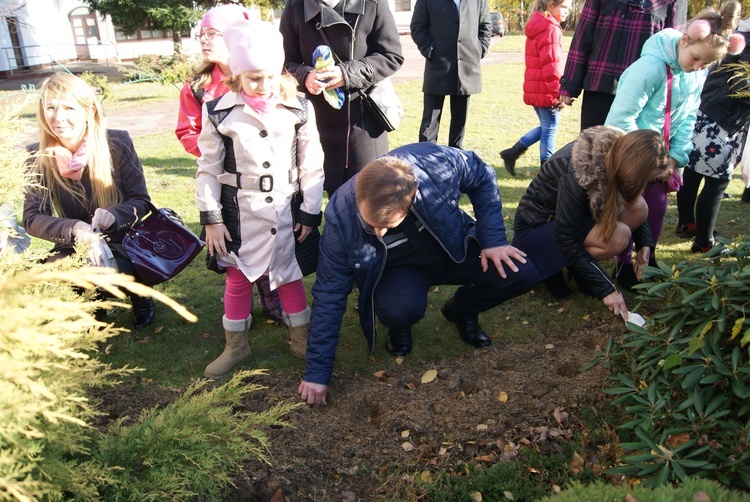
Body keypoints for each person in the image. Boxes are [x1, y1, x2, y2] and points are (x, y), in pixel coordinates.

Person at [297, 142, 538, 406]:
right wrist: (318, 374)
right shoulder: (340, 216)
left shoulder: (435, 164)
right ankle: (400, 327)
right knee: (398, 309)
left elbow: (481, 174)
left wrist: (492, 239)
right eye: (369, 224)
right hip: (401, 270)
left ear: (410, 199)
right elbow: (330, 293)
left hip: (453, 249)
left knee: (521, 273)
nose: (377, 233)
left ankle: (463, 308)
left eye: (385, 226)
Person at [196, 19, 325, 379]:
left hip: (287, 208)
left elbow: (312, 165)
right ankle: (235, 346)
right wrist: (212, 218)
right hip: (241, 213)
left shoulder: (299, 108)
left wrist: (310, 212)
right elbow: (207, 169)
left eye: (270, 76)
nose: (263, 85)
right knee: (237, 278)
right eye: (253, 78)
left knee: (289, 275)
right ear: (236, 75)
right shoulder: (219, 112)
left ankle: (301, 339)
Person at [605, 0, 742, 289]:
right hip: (634, 156)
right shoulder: (649, 68)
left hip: (661, 160)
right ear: (684, 40)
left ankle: (648, 257)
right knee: (629, 210)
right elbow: (620, 118)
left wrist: (675, 158)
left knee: (655, 208)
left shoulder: (695, 74)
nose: (698, 67)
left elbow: (689, 116)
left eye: (706, 63)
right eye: (695, 58)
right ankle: (622, 264)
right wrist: (648, 158)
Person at [174, 5, 284, 327]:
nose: (205, 40)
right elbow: (187, 130)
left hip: (262, 179)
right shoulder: (197, 86)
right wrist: (220, 152)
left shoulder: (259, 74)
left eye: (214, 33)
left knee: (267, 236)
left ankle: (272, 296)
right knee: (234, 246)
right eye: (202, 34)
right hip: (224, 179)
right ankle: (239, 309)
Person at [23, 73, 154, 329]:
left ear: (89, 110)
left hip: (122, 239)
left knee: (117, 269)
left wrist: (114, 215)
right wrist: (74, 228)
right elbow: (31, 217)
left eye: (68, 107)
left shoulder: (117, 142)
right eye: (50, 107)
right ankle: (94, 309)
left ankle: (140, 293)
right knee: (58, 271)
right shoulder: (36, 155)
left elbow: (141, 200)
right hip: (73, 243)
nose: (58, 117)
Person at [513, 126, 669, 313]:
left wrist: (645, 245)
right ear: (635, 168)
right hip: (537, 227)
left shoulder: (617, 154)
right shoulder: (577, 171)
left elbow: (630, 198)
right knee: (619, 236)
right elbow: (567, 237)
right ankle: (555, 268)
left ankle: (577, 268)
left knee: (639, 206)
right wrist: (606, 289)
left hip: (573, 219)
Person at [279, 0, 404, 196]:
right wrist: (305, 76)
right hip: (315, 124)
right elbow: (284, 61)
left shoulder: (373, 3)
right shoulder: (296, 6)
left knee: (369, 197)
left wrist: (346, 74)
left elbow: (391, 55)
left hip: (364, 122)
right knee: (316, 197)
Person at [676, 18, 750, 253]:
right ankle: (704, 242)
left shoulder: (738, 33)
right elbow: (743, 86)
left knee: (693, 171)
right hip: (723, 119)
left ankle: (687, 223)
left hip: (706, 110)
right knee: (717, 182)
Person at [559, 0, 687, 131]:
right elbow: (584, 33)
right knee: (592, 147)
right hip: (600, 85)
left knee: (632, 149)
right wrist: (570, 83)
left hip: (644, 92)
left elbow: (675, 47)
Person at [501, 0, 571, 175]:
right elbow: (552, 66)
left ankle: (513, 152)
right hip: (546, 88)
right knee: (550, 128)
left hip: (536, 86)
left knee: (547, 126)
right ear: (550, 6)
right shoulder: (551, 29)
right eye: (563, 7)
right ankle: (546, 170)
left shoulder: (538, 25)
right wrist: (558, 93)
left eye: (569, 8)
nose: (567, 12)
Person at [410, 0, 492, 149]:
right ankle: (426, 159)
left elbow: (485, 26)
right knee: (430, 122)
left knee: (459, 121)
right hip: (438, 66)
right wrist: (430, 50)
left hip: (467, 66)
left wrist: (479, 50)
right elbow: (417, 27)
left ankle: (456, 158)